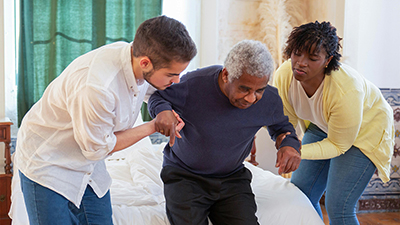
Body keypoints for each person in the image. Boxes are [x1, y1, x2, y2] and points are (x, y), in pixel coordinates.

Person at [14, 15, 197, 225]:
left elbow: (152, 90)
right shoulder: (98, 88)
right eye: (171, 75)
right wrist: (153, 126)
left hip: (88, 163)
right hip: (48, 161)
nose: (177, 81)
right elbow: (98, 149)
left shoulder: (135, 57)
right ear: (145, 62)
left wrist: (163, 110)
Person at [148, 40, 302, 225]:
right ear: (226, 74)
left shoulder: (269, 99)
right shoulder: (194, 84)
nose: (252, 98)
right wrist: (163, 112)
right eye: (244, 89)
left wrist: (289, 145)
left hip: (232, 178)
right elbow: (158, 97)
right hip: (185, 176)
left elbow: (282, 128)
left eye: (259, 90)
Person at [273, 21, 394, 225]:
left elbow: (339, 145)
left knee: (339, 205)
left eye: (312, 58)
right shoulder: (285, 75)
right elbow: (286, 122)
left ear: (328, 60)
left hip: (365, 132)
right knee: (300, 194)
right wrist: (287, 144)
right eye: (296, 53)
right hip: (323, 126)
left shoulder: (346, 89)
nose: (301, 63)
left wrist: (297, 151)